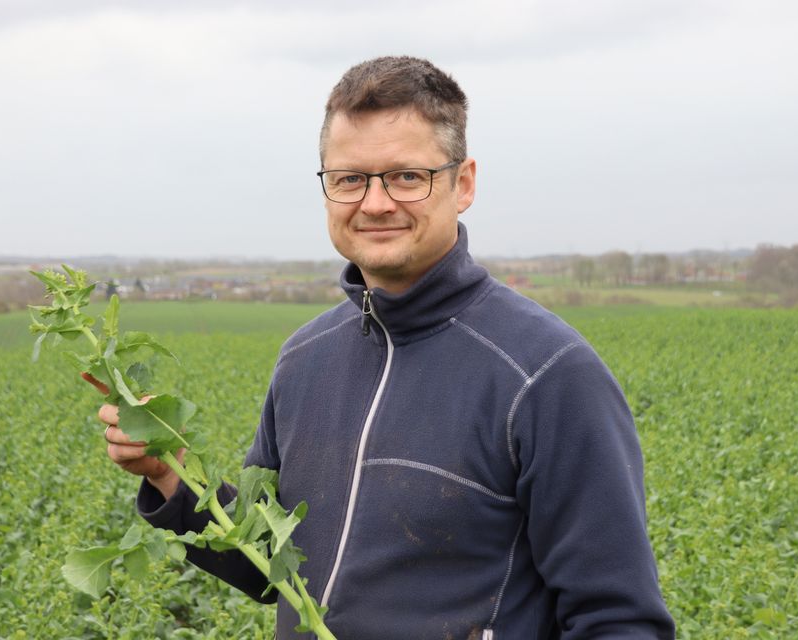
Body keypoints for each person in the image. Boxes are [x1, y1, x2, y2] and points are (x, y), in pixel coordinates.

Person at [100, 55, 676, 639]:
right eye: (350, 178)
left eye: (406, 176)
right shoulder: (304, 359)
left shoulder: (545, 374)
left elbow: (619, 620)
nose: (374, 204)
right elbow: (268, 563)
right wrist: (168, 476)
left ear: (464, 183)